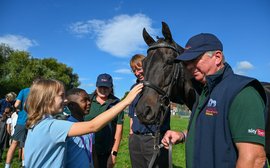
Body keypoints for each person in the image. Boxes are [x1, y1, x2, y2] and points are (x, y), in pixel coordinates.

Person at [161, 33, 267, 168]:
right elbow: (211, 131)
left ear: (217, 57)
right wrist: (182, 135)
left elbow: (254, 159)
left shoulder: (243, 92)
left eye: (194, 60)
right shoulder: (203, 93)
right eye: (186, 63)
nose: (188, 66)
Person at [24, 79, 142, 167]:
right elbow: (93, 126)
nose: (65, 100)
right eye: (61, 96)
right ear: (47, 99)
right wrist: (126, 101)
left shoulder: (40, 123)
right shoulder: (51, 126)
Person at [128, 54, 170, 168]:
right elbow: (131, 115)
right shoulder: (134, 88)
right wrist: (132, 135)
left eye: (139, 68)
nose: (137, 73)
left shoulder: (160, 85)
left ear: (148, 65)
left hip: (153, 138)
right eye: (134, 71)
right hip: (136, 139)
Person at [84, 73, 124, 168]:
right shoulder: (86, 99)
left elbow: (119, 130)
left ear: (111, 87)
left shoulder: (117, 103)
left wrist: (113, 153)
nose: (103, 90)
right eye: (101, 86)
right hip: (84, 151)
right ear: (96, 86)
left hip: (105, 152)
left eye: (106, 87)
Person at [65, 88, 97, 168]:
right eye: (84, 100)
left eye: (89, 100)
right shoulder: (66, 128)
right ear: (72, 105)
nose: (89, 103)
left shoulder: (89, 126)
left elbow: (93, 152)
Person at [5, 88, 30, 168]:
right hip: (33, 122)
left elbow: (16, 105)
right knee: (25, 145)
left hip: (22, 122)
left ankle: (7, 165)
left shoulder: (24, 91)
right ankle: (24, 164)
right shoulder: (40, 91)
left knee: (14, 143)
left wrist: (18, 107)